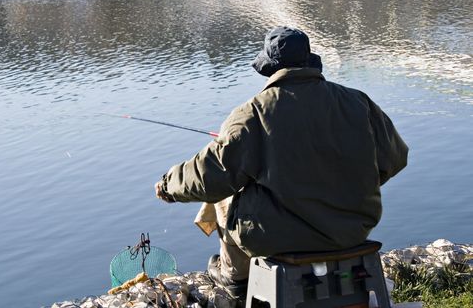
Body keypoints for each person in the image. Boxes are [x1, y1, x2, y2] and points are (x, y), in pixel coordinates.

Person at [154, 26, 408, 301]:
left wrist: (168, 185)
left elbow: (209, 176)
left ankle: (236, 277)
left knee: (224, 195)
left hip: (280, 238)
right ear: (309, 60)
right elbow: (395, 159)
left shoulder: (253, 113)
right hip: (352, 230)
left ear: (269, 68)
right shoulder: (358, 102)